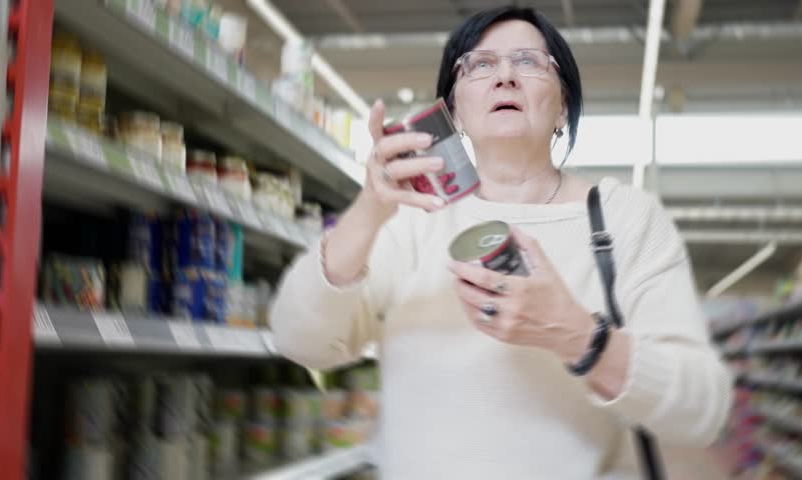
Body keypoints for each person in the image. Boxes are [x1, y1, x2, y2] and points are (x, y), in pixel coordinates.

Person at [272, 6, 732, 479]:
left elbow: (703, 408)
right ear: (454, 113)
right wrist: (368, 209)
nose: (506, 76)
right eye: (480, 64)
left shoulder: (625, 220)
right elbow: (299, 339)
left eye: (530, 62)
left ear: (563, 108)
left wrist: (578, 336)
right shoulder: (410, 218)